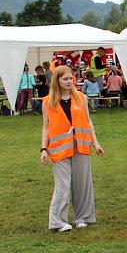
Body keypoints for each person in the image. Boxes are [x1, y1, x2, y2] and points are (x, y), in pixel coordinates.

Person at [41, 66, 105, 232]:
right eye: (66, 79)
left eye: (71, 78)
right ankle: (57, 221)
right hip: (59, 148)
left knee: (82, 182)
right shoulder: (48, 101)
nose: (70, 82)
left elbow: (88, 121)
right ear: (57, 81)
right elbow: (46, 126)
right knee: (62, 185)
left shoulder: (81, 98)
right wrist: (43, 148)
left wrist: (95, 142)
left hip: (81, 145)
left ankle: (82, 217)